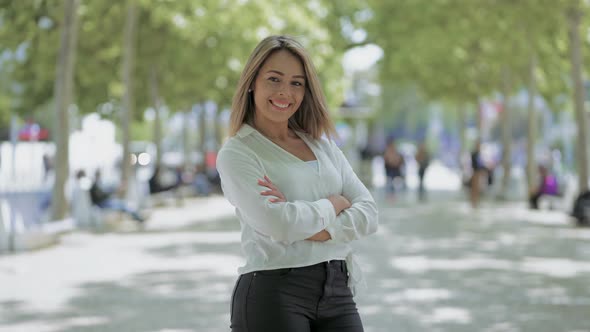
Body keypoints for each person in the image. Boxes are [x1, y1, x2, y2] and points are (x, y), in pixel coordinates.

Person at [216, 35, 378, 332]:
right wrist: (334, 204)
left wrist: (315, 228)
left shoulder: (322, 146)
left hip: (338, 289)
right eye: (274, 79)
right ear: (252, 82)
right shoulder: (238, 153)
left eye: (296, 83)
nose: (285, 92)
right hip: (274, 292)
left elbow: (369, 214)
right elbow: (279, 224)